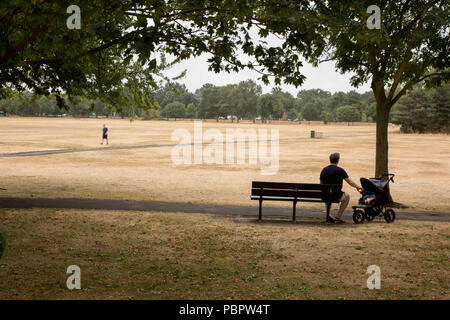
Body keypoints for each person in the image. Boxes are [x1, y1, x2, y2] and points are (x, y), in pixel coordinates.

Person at [320, 152, 363, 223]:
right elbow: (350, 182)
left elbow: (321, 184)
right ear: (338, 160)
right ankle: (338, 216)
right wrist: (357, 187)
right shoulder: (340, 170)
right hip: (336, 195)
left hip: (326, 195)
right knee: (347, 196)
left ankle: (328, 214)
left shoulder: (324, 170)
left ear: (330, 160)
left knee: (327, 193)